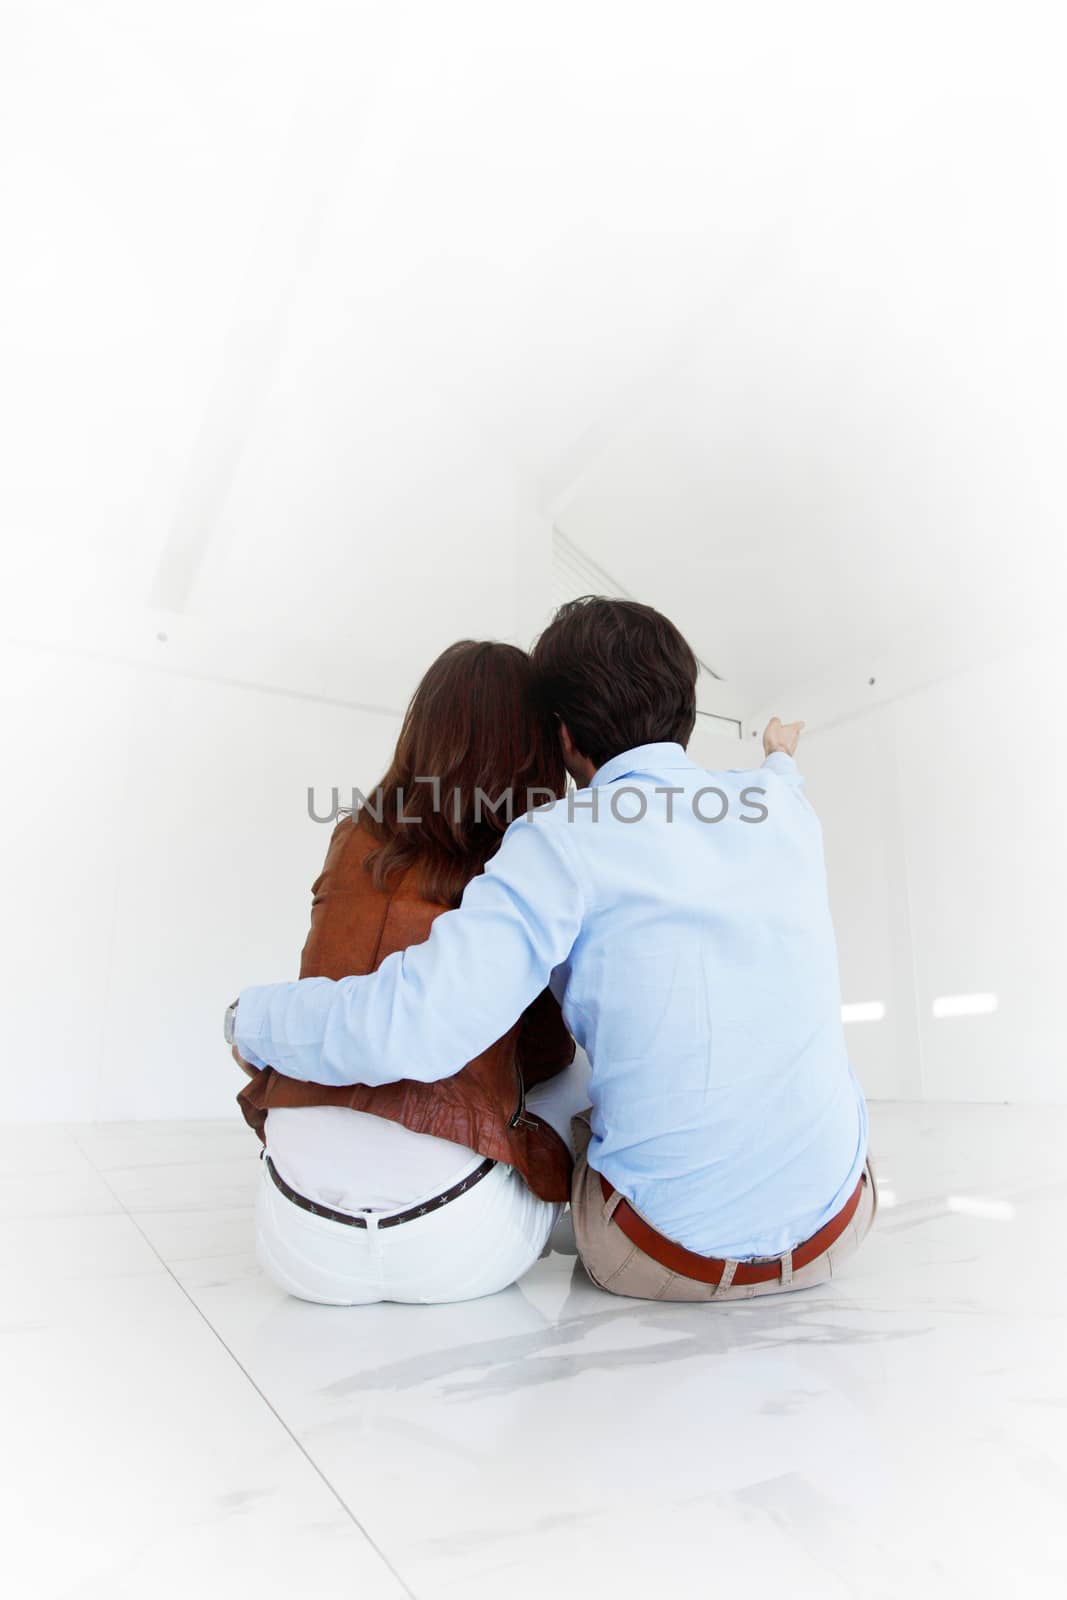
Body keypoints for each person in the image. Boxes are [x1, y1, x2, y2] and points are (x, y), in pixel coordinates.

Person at [231, 597, 875, 1303]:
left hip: (663, 1262)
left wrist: (254, 1020)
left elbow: (418, 1024)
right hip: (837, 1231)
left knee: (576, 1067)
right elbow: (782, 774)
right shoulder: (781, 808)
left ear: (564, 735)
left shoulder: (557, 839)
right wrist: (777, 755)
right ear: (683, 710)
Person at [235, 640, 588, 1306]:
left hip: (294, 1243)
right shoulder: (522, 861)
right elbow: (544, 1054)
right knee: (582, 1068)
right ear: (538, 744)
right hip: (454, 1247)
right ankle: (583, 1218)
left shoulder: (353, 838)